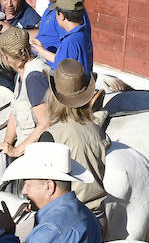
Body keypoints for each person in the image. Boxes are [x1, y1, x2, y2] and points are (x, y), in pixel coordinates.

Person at [39, 59, 108, 224]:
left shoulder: (51, 136)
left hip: (67, 221)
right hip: (98, 219)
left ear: (54, 96)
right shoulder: (98, 130)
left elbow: (43, 188)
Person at [0, 27, 50, 159]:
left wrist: (16, 151)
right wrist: (7, 143)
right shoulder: (21, 74)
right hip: (26, 147)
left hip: (36, 153)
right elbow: (15, 112)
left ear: (6, 55)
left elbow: (46, 123)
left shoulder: (33, 78)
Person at [35, 0, 92, 73]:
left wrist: (41, 51)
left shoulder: (70, 41)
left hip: (72, 85)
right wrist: (41, 50)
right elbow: (60, 59)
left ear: (62, 16)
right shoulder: (83, 34)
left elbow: (60, 66)